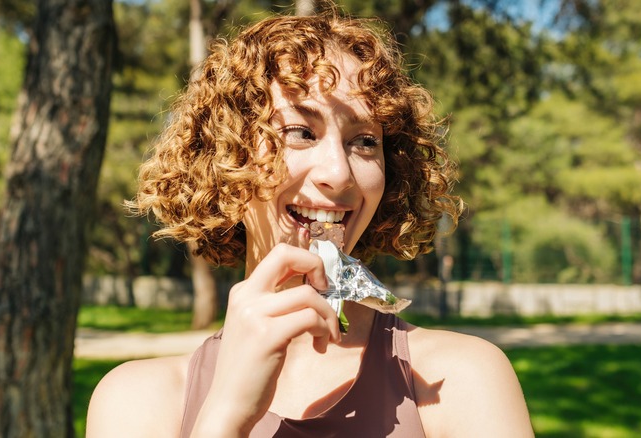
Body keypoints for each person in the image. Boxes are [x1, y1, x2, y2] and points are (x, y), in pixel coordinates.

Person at [86, 8, 533, 438]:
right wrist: (224, 417)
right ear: (227, 156)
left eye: (363, 141)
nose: (338, 173)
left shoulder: (462, 381)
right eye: (300, 132)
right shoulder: (136, 400)